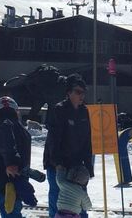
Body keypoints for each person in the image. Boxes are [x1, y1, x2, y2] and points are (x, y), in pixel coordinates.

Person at [45, 74, 93, 218]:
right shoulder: (59, 110)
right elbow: (53, 139)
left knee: (79, 199)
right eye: (78, 92)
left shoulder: (84, 112)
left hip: (76, 165)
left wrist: (89, 166)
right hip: (58, 164)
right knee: (57, 199)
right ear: (69, 92)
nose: (81, 95)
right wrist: (57, 162)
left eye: (83, 92)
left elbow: (87, 141)